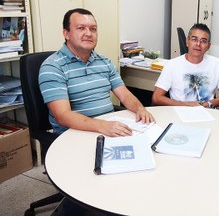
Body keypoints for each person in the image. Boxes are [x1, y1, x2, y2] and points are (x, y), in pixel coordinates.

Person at [39, 8, 154, 136]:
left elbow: (125, 95)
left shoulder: (105, 62)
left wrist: (140, 109)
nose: (89, 33)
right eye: (81, 28)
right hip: (74, 135)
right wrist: (102, 126)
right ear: (66, 34)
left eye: (93, 29)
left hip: (107, 128)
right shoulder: (53, 67)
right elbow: (63, 115)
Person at [152, 23, 219, 108]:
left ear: (208, 46)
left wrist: (209, 103)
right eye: (194, 39)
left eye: (203, 41)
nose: (198, 44)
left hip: (207, 113)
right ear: (187, 42)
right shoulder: (172, 65)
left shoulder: (216, 63)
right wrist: (186, 105)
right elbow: (156, 98)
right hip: (180, 113)